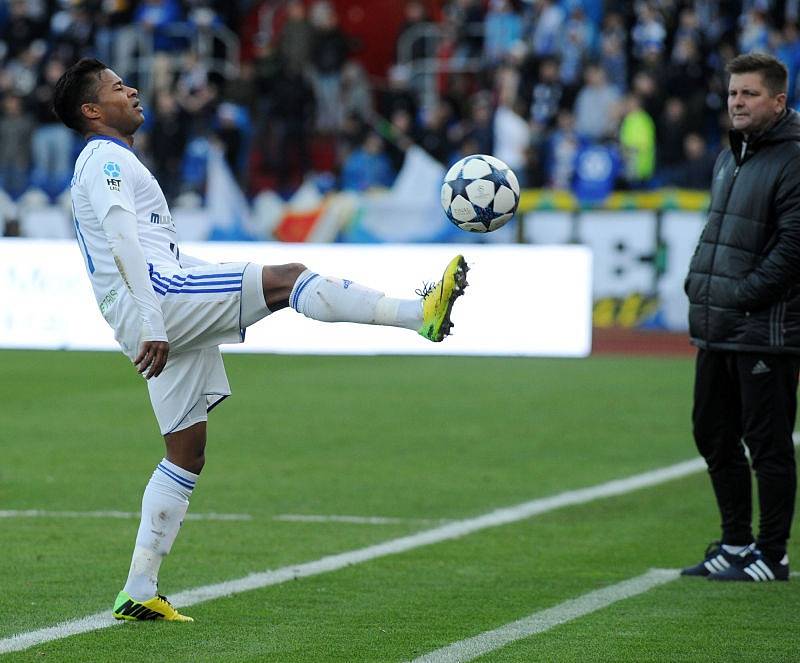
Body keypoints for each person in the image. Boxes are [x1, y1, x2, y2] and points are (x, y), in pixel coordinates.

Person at [52, 58, 469, 621]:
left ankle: (138, 589)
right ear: (92, 111)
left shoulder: (110, 159)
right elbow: (124, 238)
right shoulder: (103, 158)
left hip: (148, 305)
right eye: (115, 86)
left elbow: (140, 247)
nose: (131, 89)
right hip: (158, 302)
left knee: (186, 452)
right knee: (289, 278)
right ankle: (418, 313)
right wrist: (152, 319)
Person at [683, 52, 800, 582]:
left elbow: (794, 248)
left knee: (768, 444)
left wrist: (743, 295)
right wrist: (698, 282)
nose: (737, 102)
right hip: (718, 326)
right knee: (712, 434)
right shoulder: (731, 155)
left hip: (765, 329)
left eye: (749, 94)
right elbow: (717, 231)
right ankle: (734, 543)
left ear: (779, 100)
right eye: (733, 93)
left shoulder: (793, 158)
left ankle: (772, 554)